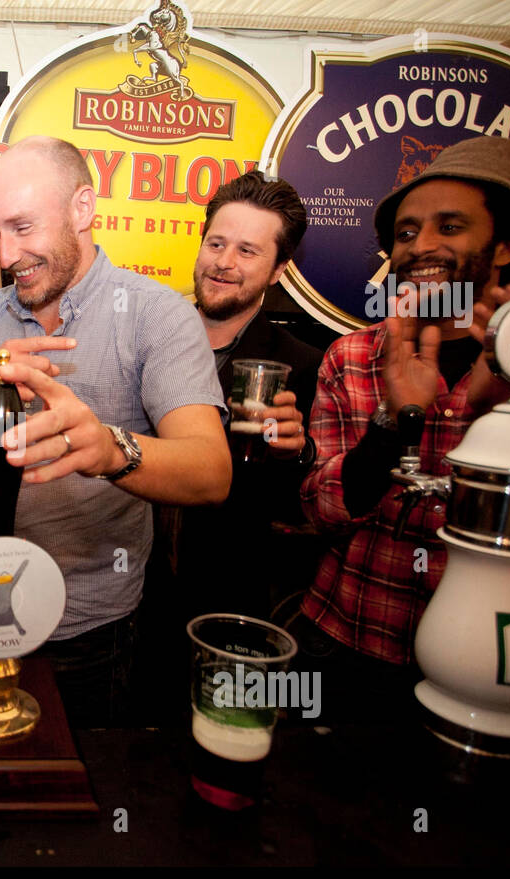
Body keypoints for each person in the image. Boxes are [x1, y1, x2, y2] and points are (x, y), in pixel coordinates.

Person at [298, 135, 510, 686]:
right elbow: (319, 506)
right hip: (353, 639)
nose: (421, 245)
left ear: (505, 246)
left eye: (449, 227)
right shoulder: (351, 355)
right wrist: (390, 427)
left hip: (505, 659)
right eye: (406, 232)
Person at [0, 136, 230, 727]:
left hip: (92, 626)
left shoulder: (157, 314)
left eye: (23, 227)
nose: (7, 254)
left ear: (82, 209)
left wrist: (108, 449)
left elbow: (210, 472)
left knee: (82, 794)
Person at [164, 170, 325, 624]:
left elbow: (303, 510)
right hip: (125, 593)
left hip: (227, 605)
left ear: (278, 270)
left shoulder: (303, 365)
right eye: (216, 244)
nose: (224, 262)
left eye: (247, 251)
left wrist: (296, 452)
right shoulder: (147, 336)